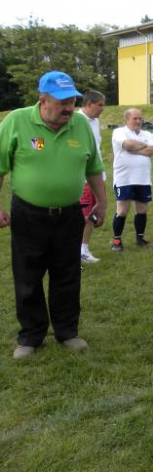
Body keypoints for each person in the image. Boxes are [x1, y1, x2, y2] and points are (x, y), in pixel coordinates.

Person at [0, 70, 106, 359]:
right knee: (28, 275)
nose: (69, 108)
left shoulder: (80, 125)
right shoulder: (17, 121)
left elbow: (93, 167)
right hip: (28, 213)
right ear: (43, 100)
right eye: (62, 102)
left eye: (72, 101)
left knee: (68, 274)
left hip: (69, 214)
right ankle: (31, 336)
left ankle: (67, 332)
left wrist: (101, 202)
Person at [110, 108, 153, 251]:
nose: (138, 121)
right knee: (122, 210)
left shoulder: (147, 134)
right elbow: (128, 145)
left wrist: (135, 148)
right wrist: (143, 146)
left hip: (143, 178)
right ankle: (117, 241)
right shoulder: (119, 132)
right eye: (135, 118)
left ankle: (140, 239)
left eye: (140, 118)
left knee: (142, 210)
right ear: (127, 120)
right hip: (124, 178)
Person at [77, 90, 106, 264]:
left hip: (96, 175)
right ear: (89, 104)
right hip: (82, 178)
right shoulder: (77, 120)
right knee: (84, 214)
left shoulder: (95, 122)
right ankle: (79, 250)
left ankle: (83, 248)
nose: (103, 108)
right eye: (100, 105)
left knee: (93, 214)